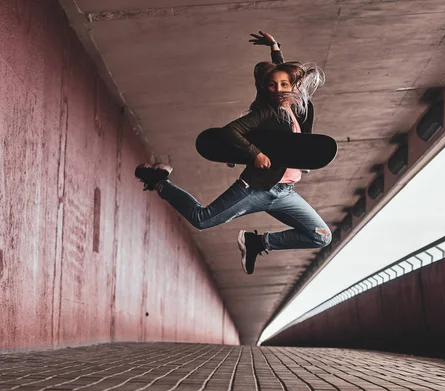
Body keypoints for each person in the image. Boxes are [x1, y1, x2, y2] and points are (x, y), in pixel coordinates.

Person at [134, 31, 331, 274]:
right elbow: (230, 131)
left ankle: (258, 242)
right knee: (201, 219)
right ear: (266, 88)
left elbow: (284, 74)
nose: (279, 89)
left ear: (294, 85)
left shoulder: (296, 107)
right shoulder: (268, 111)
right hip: (255, 189)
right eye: (272, 85)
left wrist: (275, 47)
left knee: (321, 236)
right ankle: (159, 181)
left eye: (284, 85)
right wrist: (255, 153)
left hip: (285, 193)